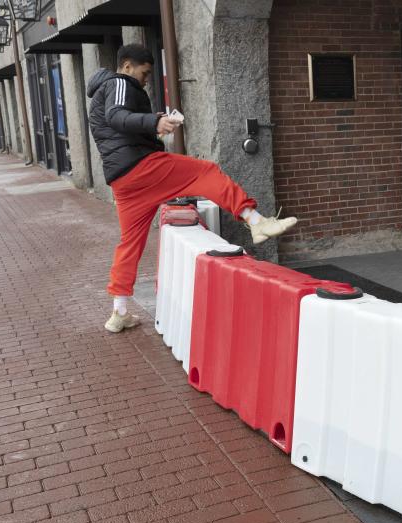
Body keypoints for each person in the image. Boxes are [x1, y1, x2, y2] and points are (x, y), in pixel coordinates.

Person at [86, 44, 297, 333]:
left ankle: (119, 311)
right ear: (126, 66)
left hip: (121, 180)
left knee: (130, 242)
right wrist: (156, 122)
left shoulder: (103, 91)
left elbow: (117, 125)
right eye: (145, 73)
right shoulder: (119, 82)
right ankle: (256, 221)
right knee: (205, 171)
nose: (146, 80)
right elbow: (117, 116)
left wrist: (154, 122)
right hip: (139, 166)